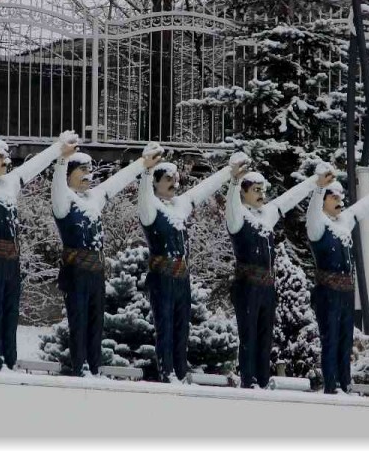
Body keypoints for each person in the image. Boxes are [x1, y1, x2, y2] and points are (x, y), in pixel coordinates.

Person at [0, 123, 76, 372]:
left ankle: (10, 360)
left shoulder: (10, 183)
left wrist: (59, 147)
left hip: (11, 262)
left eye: (7, 156)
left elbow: (35, 165)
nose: (6, 161)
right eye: (0, 156)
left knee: (11, 313)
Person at [53, 142, 163, 376]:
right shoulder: (64, 201)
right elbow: (58, 186)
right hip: (75, 273)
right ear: (69, 174)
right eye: (82, 170)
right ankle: (79, 367)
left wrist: (143, 163)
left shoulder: (94, 199)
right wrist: (62, 160)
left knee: (95, 324)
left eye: (89, 170)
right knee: (78, 323)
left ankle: (93, 367)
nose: (88, 175)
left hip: (96, 273)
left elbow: (118, 181)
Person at [137, 152, 248, 383]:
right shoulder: (151, 209)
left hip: (182, 279)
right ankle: (167, 372)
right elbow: (144, 195)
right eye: (168, 178)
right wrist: (146, 171)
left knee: (181, 329)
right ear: (156, 183)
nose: (174, 183)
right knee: (165, 328)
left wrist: (230, 172)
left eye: (175, 179)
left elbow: (204, 188)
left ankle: (179, 371)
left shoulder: (180, 206)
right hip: (162, 277)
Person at [303, 166, 369, 394]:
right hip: (327, 291)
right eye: (334, 197)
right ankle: (330, 386)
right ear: (323, 201)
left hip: (346, 291)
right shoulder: (318, 225)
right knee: (330, 339)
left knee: (345, 340)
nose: (340, 201)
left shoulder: (344, 222)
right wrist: (318, 188)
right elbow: (312, 213)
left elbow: (365, 205)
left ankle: (344, 383)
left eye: (341, 196)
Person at [224, 165, 320, 389]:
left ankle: (262, 379)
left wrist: (315, 181)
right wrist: (234, 182)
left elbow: (289, 198)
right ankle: (248, 380)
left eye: (263, 190)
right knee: (248, 336)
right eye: (256, 189)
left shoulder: (266, 216)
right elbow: (231, 206)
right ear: (244, 192)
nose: (261, 194)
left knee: (265, 337)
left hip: (267, 286)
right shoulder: (239, 217)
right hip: (247, 285)